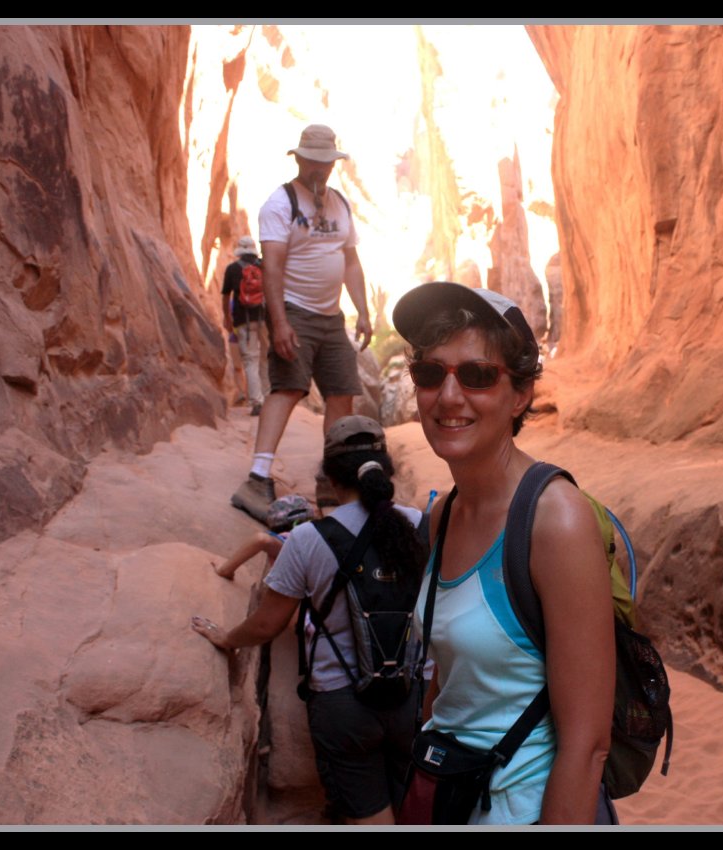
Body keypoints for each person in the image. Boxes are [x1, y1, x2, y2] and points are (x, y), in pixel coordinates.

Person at [392, 282, 616, 825]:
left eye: (476, 375)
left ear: (520, 395)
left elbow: (587, 746)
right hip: (451, 795)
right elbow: (449, 676)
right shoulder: (444, 516)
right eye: (430, 373)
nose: (448, 396)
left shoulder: (555, 520)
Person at [193, 416, 425, 825]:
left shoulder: (308, 539)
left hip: (343, 703)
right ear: (384, 469)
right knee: (412, 807)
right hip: (413, 694)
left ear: (330, 478)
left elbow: (266, 625)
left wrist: (226, 639)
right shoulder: (419, 524)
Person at [231, 124, 372, 522]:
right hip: (294, 311)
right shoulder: (280, 204)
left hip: (331, 317)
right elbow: (272, 267)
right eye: (313, 161)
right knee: (288, 388)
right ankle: (257, 479)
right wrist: (279, 323)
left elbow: (350, 261)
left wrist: (363, 311)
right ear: (299, 159)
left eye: (326, 163)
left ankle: (332, 477)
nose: (319, 169)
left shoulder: (340, 204)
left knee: (342, 394)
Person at [222, 236, 267, 415]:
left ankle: (257, 401)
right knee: (266, 357)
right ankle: (268, 397)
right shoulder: (263, 266)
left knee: (250, 360)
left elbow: (226, 296)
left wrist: (227, 317)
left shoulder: (232, 269)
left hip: (243, 321)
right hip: (265, 319)